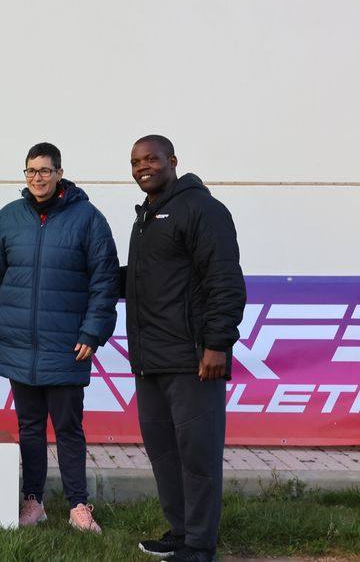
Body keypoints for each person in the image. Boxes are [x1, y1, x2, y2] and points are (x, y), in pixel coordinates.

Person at [0, 142, 118, 533]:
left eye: (44, 170)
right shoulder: (8, 219)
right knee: (30, 428)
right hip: (20, 343)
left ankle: (77, 505)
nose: (37, 178)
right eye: (30, 171)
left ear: (59, 174)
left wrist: (94, 331)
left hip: (67, 345)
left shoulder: (88, 219)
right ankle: (33, 502)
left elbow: (105, 282)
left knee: (69, 429)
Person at [124, 135, 246, 562]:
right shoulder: (146, 217)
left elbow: (225, 281)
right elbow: (145, 282)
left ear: (172, 161)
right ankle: (180, 532)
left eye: (152, 159)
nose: (143, 167)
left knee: (198, 457)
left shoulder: (202, 210)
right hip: (150, 361)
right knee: (163, 454)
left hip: (194, 361)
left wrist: (217, 345)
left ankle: (199, 545)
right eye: (136, 161)